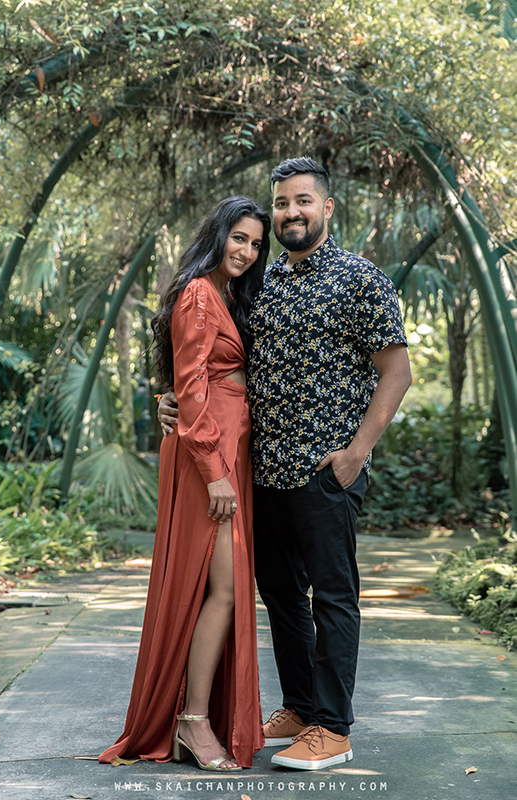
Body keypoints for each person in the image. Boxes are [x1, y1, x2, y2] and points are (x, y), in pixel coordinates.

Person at [159, 156, 412, 770]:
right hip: (260, 472)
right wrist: (169, 401)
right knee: (280, 594)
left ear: (327, 208)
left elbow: (396, 373)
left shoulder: (359, 278)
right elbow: (215, 364)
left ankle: (333, 726)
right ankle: (299, 706)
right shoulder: (262, 284)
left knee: (332, 595)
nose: (291, 212)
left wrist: (355, 455)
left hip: (326, 469)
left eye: (303, 201)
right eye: (282, 204)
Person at [99, 196, 271, 771]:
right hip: (210, 457)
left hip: (224, 450)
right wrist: (215, 471)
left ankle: (193, 717)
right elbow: (193, 387)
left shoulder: (221, 295)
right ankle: (194, 724)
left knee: (220, 587)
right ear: (217, 235)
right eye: (238, 238)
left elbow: (187, 378)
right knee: (222, 588)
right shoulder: (199, 292)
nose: (246, 251)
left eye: (255, 243)